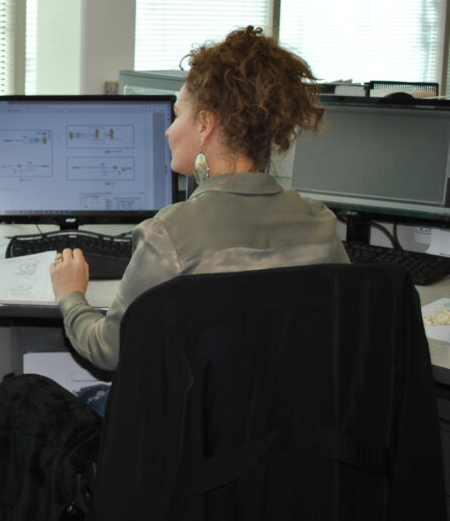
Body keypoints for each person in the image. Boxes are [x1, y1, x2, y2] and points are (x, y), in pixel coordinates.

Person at [50, 25, 350, 371]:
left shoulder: (168, 234)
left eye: (178, 115)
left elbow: (107, 350)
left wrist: (70, 296)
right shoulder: (320, 224)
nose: (168, 130)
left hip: (194, 408)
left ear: (205, 124)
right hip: (290, 406)